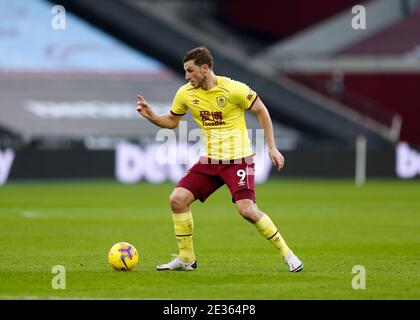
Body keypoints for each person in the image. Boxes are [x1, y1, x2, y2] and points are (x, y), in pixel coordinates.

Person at [136, 46, 303, 272]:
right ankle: (186, 259)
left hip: (238, 161)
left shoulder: (233, 88)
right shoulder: (185, 93)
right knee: (177, 199)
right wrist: (152, 116)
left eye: (190, 71)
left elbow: (262, 110)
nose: (186, 76)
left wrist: (272, 147)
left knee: (247, 211)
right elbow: (172, 121)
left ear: (205, 68)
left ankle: (288, 254)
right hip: (210, 162)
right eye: (185, 71)